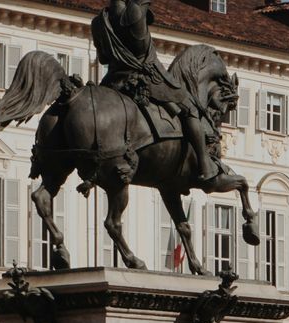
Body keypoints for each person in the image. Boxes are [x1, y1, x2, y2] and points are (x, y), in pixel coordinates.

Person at [92, 0, 220, 186]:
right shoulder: (134, 12)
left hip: (112, 80)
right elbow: (142, 48)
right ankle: (204, 164)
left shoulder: (98, 21)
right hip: (145, 77)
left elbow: (103, 58)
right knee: (189, 107)